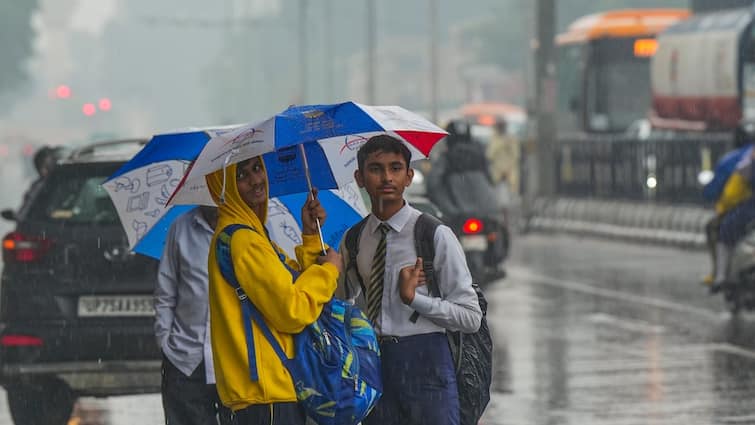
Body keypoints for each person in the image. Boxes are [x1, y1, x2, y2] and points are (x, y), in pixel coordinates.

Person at [338, 134, 483, 425]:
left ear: (409, 176)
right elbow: (341, 300)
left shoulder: (432, 235)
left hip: (426, 362)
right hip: (375, 363)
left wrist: (415, 300)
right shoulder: (354, 239)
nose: (386, 177)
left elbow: (471, 317)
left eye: (395, 168)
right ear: (360, 178)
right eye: (376, 169)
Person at [204, 156, 342, 425]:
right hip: (265, 397)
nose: (256, 180)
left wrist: (311, 236)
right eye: (241, 176)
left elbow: (292, 281)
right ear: (226, 188)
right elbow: (291, 310)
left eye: (257, 168)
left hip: (262, 394)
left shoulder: (252, 235)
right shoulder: (245, 241)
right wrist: (329, 271)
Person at [154, 205, 232, 425]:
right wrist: (165, 343)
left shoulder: (249, 229)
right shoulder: (180, 227)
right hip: (186, 358)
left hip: (234, 358)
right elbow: (165, 291)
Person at [486, 119, 520, 195]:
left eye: (503, 126)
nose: (501, 128)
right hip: (497, 172)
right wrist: (501, 144)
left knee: (511, 194)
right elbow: (489, 155)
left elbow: (516, 155)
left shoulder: (511, 139)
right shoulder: (493, 139)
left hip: (510, 171)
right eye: (500, 126)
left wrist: (509, 145)